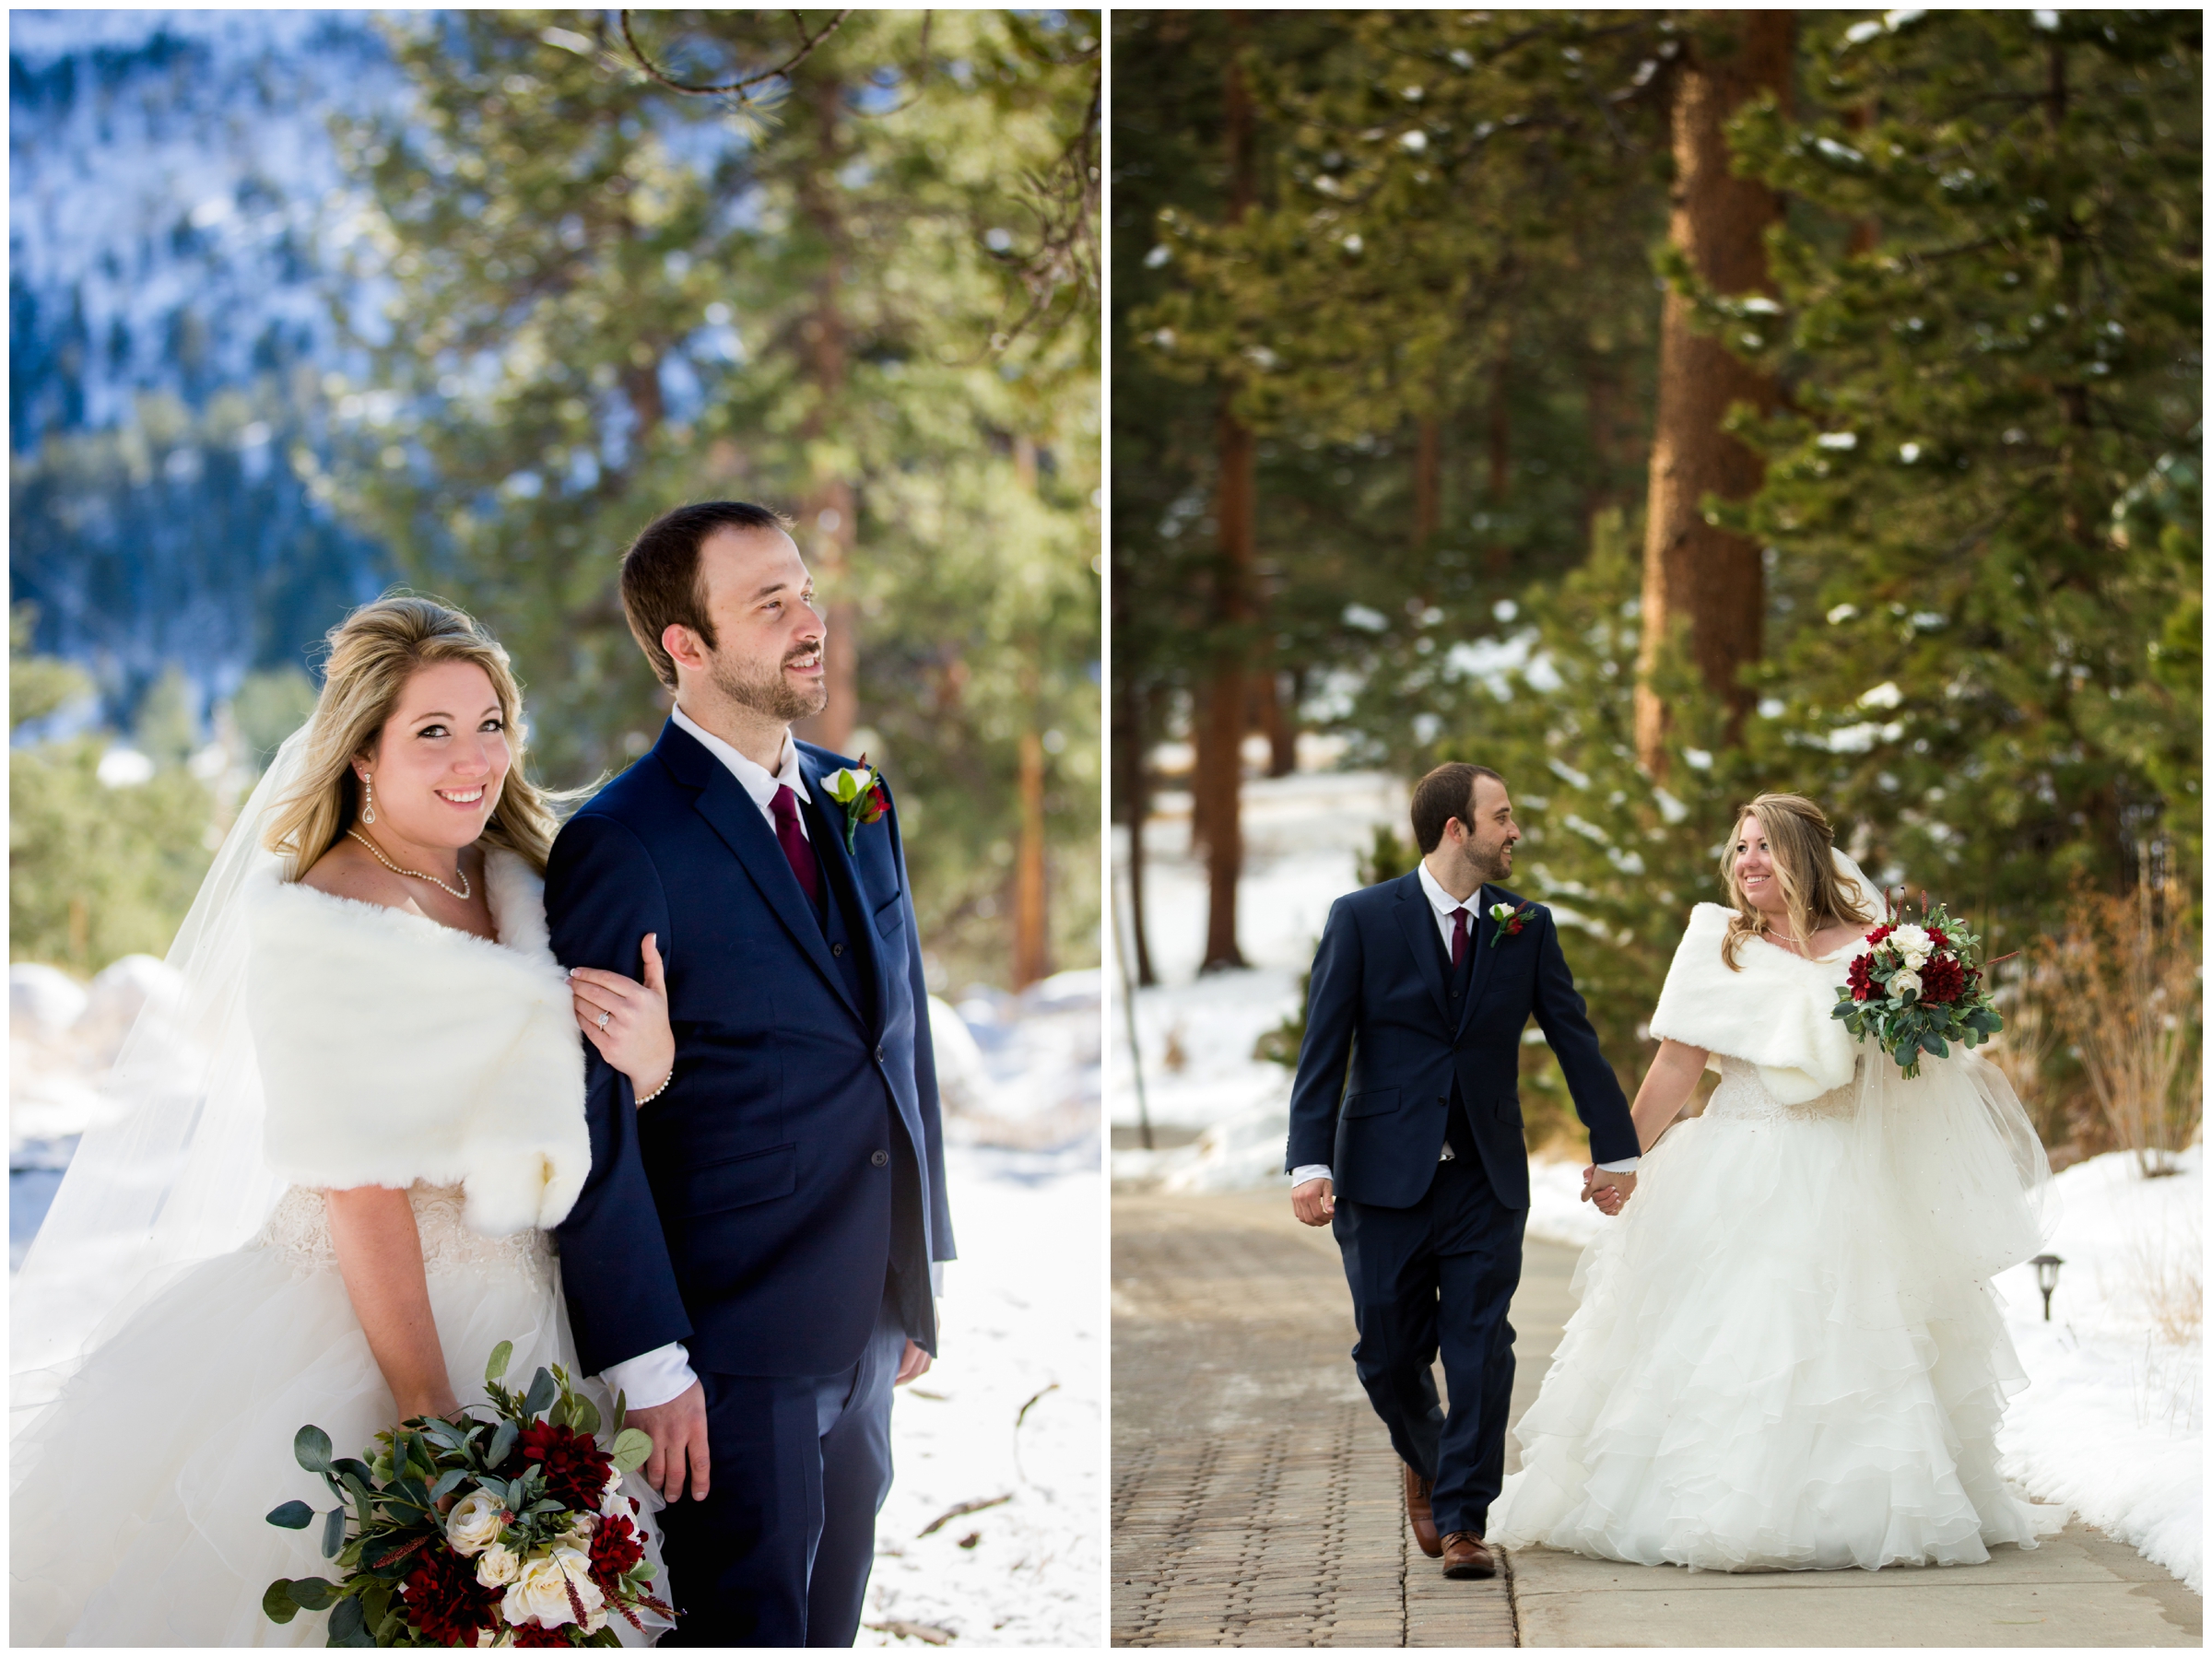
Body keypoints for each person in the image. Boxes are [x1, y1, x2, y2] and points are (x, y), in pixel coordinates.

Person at [9, 595, 675, 1644]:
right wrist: (426, 1415)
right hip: (379, 1319)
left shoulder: (515, 882)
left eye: (491, 722)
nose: (474, 757)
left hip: (537, 1301)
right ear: (363, 752)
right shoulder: (330, 919)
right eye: (433, 731)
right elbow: (360, 1183)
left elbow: (551, 1103)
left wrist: (649, 1066)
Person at [549, 500, 954, 1647]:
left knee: (832, 1623)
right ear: (686, 644)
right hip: (727, 1344)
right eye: (768, 604)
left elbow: (900, 1036)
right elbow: (593, 1125)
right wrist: (647, 1358)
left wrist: (917, 1269)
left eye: (806, 591)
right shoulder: (624, 841)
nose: (809, 620)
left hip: (870, 1315)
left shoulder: (856, 797)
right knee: (746, 1625)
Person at [1489, 793, 2061, 1570]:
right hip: (1735, 1163)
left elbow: (1915, 1073)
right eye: (1740, 847)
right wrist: (1622, 1154)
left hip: (1846, 1168)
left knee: (1853, 1342)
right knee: (1733, 1338)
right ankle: (1710, 1505)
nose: (1747, 861)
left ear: (1803, 856)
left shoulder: (1881, 951)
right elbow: (1678, 1065)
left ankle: (1851, 1510)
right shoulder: (1717, 943)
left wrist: (1917, 1017)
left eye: (1763, 846)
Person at [1283, 762, 1641, 1582]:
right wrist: (1310, 1161)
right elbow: (1323, 1052)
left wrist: (1614, 1148)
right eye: (1503, 816)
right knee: (1385, 1351)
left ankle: (1463, 1523)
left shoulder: (1527, 925)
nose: (1515, 831)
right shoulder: (1363, 919)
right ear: (1457, 829)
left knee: (1480, 1347)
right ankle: (1436, 1466)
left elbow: (1573, 1040)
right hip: (1380, 1177)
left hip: (1485, 1174)